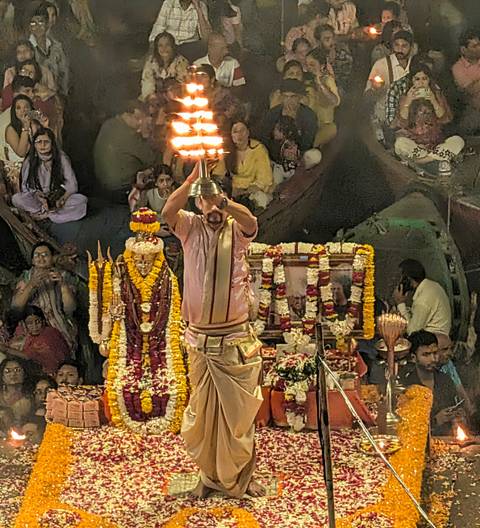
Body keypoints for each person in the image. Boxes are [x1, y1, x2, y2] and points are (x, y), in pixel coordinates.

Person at [163, 163, 264, 499]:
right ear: (197, 204)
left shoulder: (235, 229)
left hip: (234, 340)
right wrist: (192, 181)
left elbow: (251, 221)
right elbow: (167, 210)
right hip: (200, 342)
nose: (212, 209)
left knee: (238, 419)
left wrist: (224, 202)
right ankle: (208, 478)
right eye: (204, 202)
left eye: (216, 202)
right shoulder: (189, 226)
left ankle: (242, 480)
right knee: (204, 419)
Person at [88, 208, 188, 433]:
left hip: (160, 345)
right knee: (121, 385)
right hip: (129, 346)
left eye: (148, 262)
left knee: (173, 386)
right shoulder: (121, 279)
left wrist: (178, 337)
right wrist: (115, 317)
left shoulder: (168, 280)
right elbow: (107, 312)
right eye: (139, 262)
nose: (144, 266)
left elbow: (173, 316)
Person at [11, 241, 78, 351]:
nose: (41, 258)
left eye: (45, 255)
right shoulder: (26, 278)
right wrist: (32, 285)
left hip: (58, 325)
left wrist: (63, 285)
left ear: (52, 258)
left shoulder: (63, 275)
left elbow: (71, 308)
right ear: (32, 260)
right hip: (31, 326)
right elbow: (15, 307)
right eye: (37, 255)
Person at [12, 127, 87, 222]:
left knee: (81, 201)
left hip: (58, 198)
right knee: (16, 199)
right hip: (39, 200)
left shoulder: (61, 158)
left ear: (52, 144)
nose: (42, 145)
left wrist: (62, 199)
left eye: (46, 142)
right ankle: (42, 211)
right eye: (39, 142)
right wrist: (38, 196)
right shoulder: (29, 161)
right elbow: (25, 187)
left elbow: (72, 184)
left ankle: (48, 215)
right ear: (34, 144)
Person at [93, 100, 160, 203]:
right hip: (121, 189)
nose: (140, 122)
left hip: (101, 186)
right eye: (139, 118)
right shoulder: (130, 135)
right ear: (129, 115)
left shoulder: (108, 124)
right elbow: (152, 159)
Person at [400, 330, 458, 435]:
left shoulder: (445, 380)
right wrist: (435, 421)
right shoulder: (406, 385)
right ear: (413, 358)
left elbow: (454, 410)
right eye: (426, 354)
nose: (433, 359)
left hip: (446, 442)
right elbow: (405, 425)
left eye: (435, 353)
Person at [213, 120, 274, 210]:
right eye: (235, 132)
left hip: (255, 191)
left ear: (248, 133)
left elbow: (264, 179)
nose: (239, 135)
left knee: (260, 199)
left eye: (242, 131)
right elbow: (218, 174)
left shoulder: (258, 149)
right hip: (234, 192)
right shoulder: (227, 151)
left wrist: (245, 191)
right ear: (231, 135)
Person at [394, 99, 464, 173]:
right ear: (414, 113)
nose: (426, 114)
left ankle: (426, 160)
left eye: (428, 112)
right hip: (418, 153)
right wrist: (418, 144)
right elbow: (401, 142)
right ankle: (433, 160)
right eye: (422, 111)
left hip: (433, 153)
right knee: (400, 142)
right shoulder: (407, 128)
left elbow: (441, 143)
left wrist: (431, 152)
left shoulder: (436, 126)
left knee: (457, 140)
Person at [393, 259, 452, 336]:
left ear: (407, 279)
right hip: (436, 334)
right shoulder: (431, 285)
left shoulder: (423, 300)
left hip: (433, 340)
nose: (399, 282)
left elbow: (412, 332)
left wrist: (400, 303)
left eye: (400, 278)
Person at [8, 305, 70, 375]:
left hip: (56, 373)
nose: (35, 327)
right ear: (25, 325)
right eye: (30, 323)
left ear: (43, 321)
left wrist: (5, 349)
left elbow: (26, 356)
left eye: (37, 322)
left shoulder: (48, 334)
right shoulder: (32, 335)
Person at [261, 79, 317, 153]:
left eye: (293, 96)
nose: (289, 100)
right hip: (274, 153)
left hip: (299, 154)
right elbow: (265, 139)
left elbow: (307, 142)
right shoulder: (272, 114)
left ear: (300, 97)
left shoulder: (309, 115)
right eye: (285, 96)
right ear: (281, 97)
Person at [28, 6, 69, 96]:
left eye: (41, 22)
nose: (38, 27)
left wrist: (62, 95)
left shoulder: (56, 46)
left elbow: (63, 73)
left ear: (47, 24)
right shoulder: (27, 48)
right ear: (29, 27)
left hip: (57, 96)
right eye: (33, 24)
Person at [304, 47, 340, 147]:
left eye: (312, 65)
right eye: (306, 65)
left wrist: (320, 84)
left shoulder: (328, 81)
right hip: (307, 125)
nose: (308, 68)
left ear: (322, 65)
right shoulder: (306, 81)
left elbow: (335, 101)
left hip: (324, 126)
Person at [140, 32, 189, 102]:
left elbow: (183, 84)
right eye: (160, 45)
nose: (164, 48)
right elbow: (147, 82)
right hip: (153, 99)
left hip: (174, 99)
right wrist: (151, 97)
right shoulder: (150, 62)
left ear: (173, 46)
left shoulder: (182, 62)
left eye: (167, 45)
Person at [128, 164, 176, 236]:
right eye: (161, 181)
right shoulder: (148, 193)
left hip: (173, 229)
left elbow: (184, 216)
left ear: (172, 180)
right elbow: (136, 215)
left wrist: (171, 199)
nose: (165, 184)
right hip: (153, 228)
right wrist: (155, 231)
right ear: (156, 183)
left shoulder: (178, 193)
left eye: (168, 180)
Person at [435, 333, 474, 416]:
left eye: (451, 348)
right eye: (445, 349)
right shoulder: (424, 371)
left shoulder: (448, 364)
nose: (450, 353)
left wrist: (470, 413)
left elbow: (460, 390)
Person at [0, 75, 35, 162]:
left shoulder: (32, 114)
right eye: (27, 91)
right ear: (16, 94)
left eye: (33, 91)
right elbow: (21, 153)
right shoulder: (7, 120)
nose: (32, 95)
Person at [452, 29, 480, 135]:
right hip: (472, 109)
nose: (479, 48)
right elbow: (471, 91)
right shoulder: (458, 68)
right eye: (474, 46)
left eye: (479, 45)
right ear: (463, 50)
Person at [314, 23, 353, 94]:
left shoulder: (343, 54)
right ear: (319, 42)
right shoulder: (314, 57)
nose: (331, 42)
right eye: (327, 39)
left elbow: (347, 76)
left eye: (332, 38)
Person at [0, 358, 33, 423]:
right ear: (2, 376)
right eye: (7, 371)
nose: (13, 374)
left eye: (17, 370)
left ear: (24, 374)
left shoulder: (30, 394)